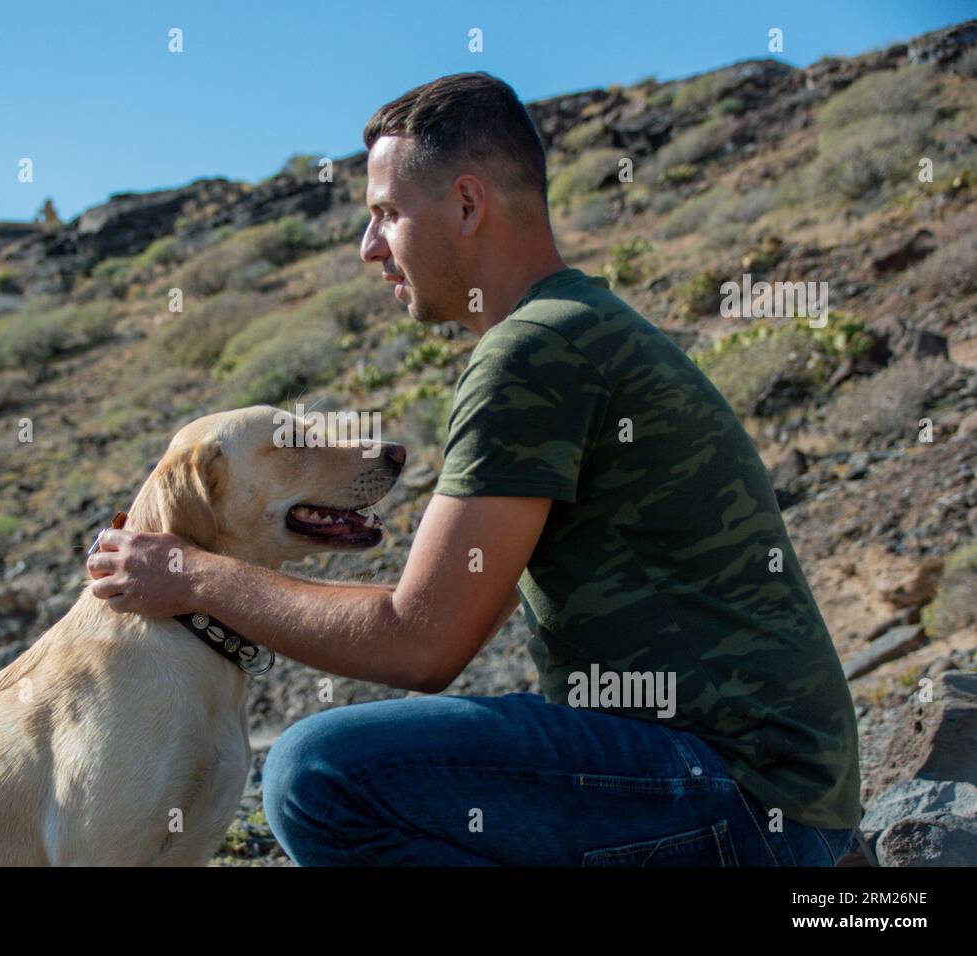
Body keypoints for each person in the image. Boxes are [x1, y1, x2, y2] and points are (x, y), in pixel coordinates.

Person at [87, 72, 863, 866]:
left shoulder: (532, 353)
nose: (368, 247)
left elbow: (419, 644)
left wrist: (189, 575)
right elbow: (454, 617)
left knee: (317, 773)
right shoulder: (580, 323)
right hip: (782, 791)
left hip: (736, 794)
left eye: (385, 214)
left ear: (465, 204)